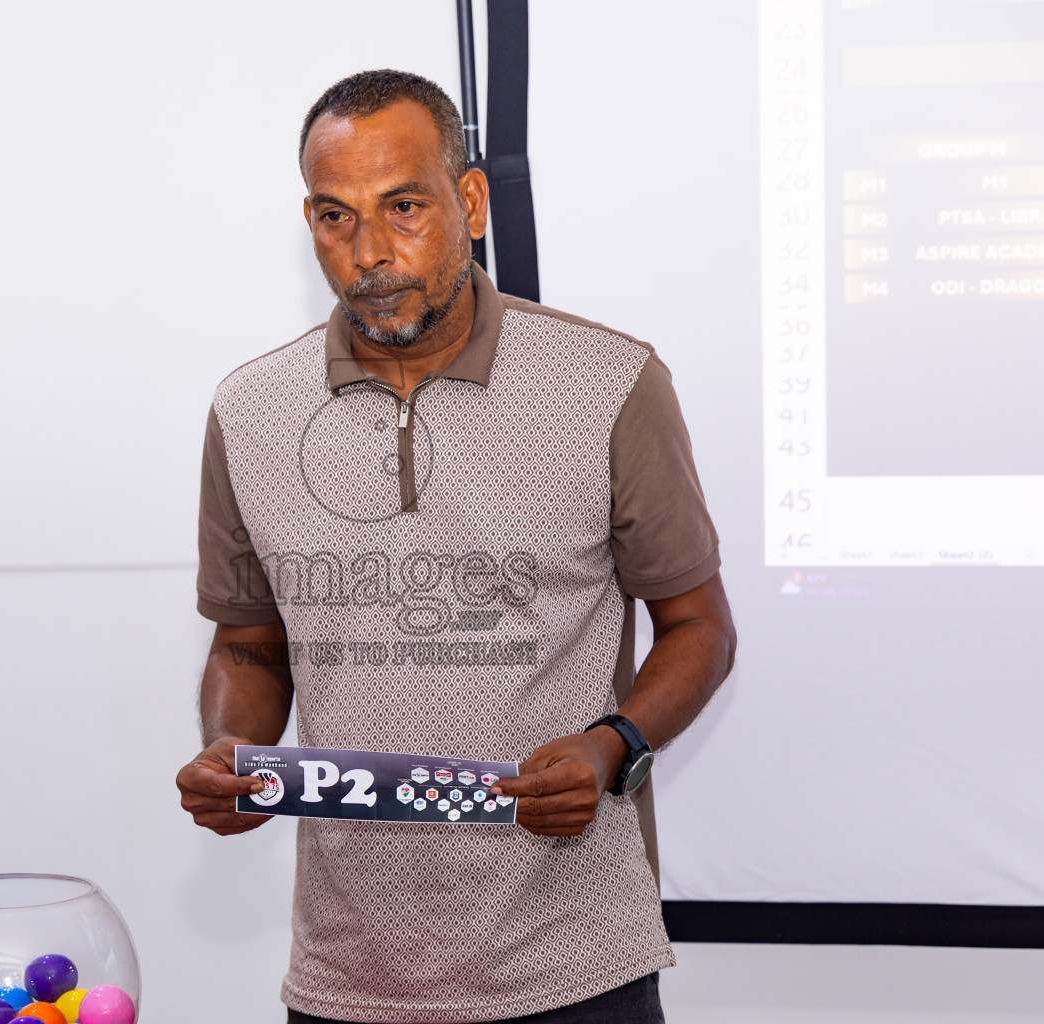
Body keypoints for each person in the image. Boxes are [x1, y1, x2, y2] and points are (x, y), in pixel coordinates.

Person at [176, 69, 736, 1024]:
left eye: (403, 207)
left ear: (469, 202)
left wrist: (615, 743)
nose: (370, 253)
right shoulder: (250, 410)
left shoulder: (610, 381)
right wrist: (233, 751)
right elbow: (248, 639)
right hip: (348, 978)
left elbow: (699, 628)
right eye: (333, 217)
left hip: (575, 968)